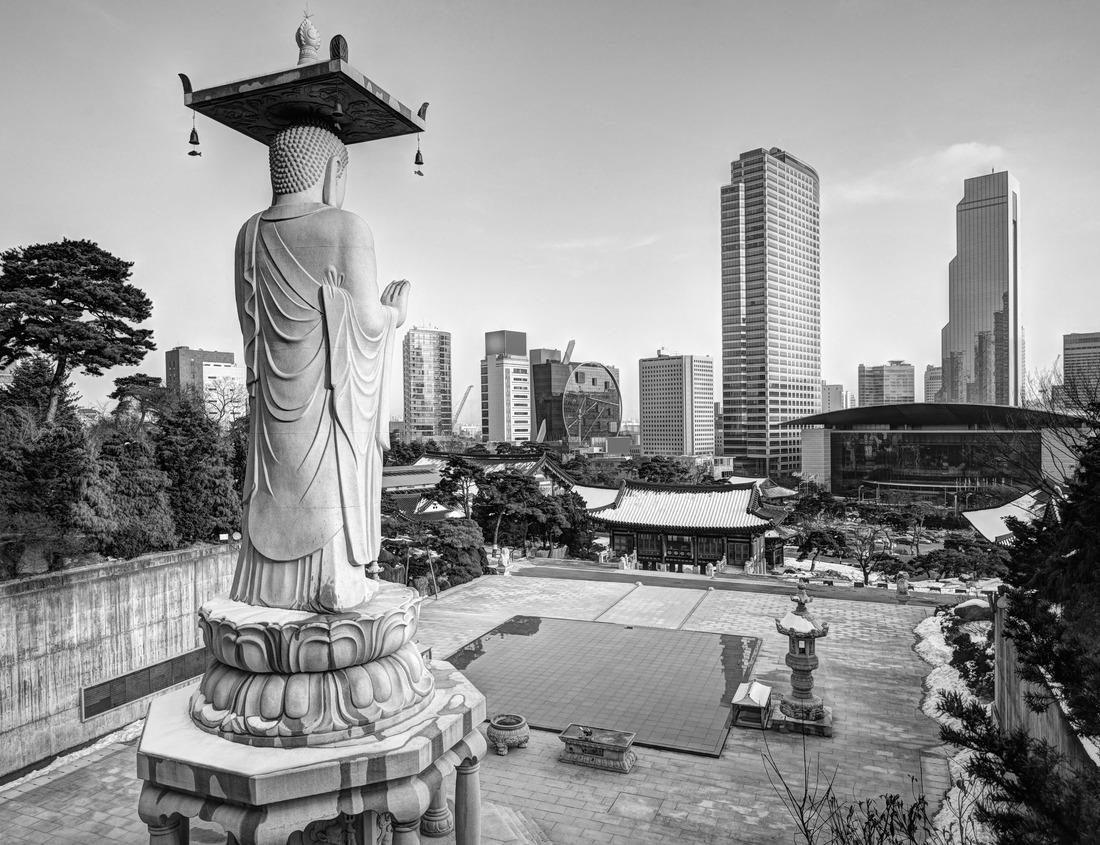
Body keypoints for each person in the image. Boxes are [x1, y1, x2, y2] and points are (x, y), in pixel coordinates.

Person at [230, 121, 410, 613]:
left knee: (275, 492)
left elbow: (252, 330)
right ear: (334, 172)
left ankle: (264, 585)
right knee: (331, 489)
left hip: (271, 417)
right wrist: (396, 316)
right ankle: (334, 585)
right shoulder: (345, 227)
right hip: (327, 409)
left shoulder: (249, 234)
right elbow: (368, 320)